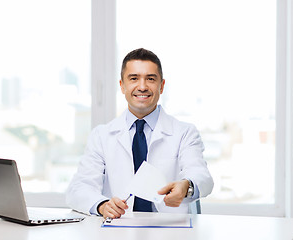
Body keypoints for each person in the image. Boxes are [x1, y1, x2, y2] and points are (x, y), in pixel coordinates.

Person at [66, 48, 213, 219]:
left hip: (170, 231)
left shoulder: (185, 133)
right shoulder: (101, 136)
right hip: (118, 230)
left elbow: (202, 177)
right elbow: (79, 189)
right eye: (134, 78)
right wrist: (102, 205)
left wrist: (186, 186)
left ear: (162, 86)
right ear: (122, 86)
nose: (142, 87)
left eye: (150, 79)